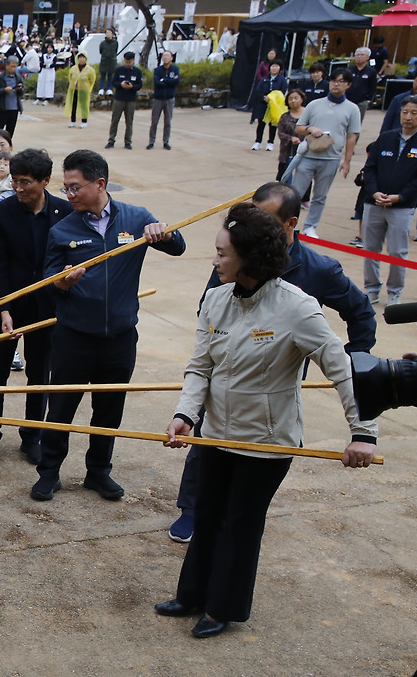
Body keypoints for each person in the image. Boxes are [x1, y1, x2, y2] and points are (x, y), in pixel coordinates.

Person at [157, 204, 377, 639]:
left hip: (267, 442)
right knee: (209, 512)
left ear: (249, 257)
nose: (214, 260)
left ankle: (223, 607)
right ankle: (192, 594)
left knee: (240, 522)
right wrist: (185, 413)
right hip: (217, 433)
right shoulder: (217, 299)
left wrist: (363, 432)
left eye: (222, 253)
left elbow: (342, 369)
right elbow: (200, 367)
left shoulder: (298, 308)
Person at [31, 149, 185, 502]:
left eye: (75, 187)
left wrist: (165, 234)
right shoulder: (62, 230)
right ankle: (49, 472)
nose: (68, 195)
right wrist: (62, 282)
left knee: (109, 409)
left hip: (118, 338)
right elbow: (48, 278)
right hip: (73, 337)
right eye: (66, 188)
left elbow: (178, 247)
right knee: (60, 409)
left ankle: (99, 473)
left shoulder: (135, 219)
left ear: (100, 184)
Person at [0, 148, 71, 467]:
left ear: (45, 181)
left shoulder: (63, 212)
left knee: (39, 374)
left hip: (47, 308)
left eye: (26, 182)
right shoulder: (2, 213)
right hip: (7, 305)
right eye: (15, 181)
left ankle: (32, 436)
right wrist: (3, 308)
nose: (18, 188)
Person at [288, 68, 361, 238]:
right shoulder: (314, 105)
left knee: (320, 196)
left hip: (331, 158)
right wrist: (310, 129)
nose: (336, 84)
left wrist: (347, 161)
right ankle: (289, 225)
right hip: (308, 156)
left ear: (348, 85)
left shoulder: (352, 109)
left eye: (341, 81)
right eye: (333, 80)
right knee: (296, 194)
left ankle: (310, 226)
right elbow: (299, 127)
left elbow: (352, 137)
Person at [361, 96, 417, 305]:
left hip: (401, 207)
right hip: (374, 203)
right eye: (405, 112)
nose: (408, 117)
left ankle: (394, 292)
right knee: (370, 249)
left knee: (396, 252)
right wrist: (374, 192)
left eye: (414, 113)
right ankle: (372, 289)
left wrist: (400, 197)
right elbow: (370, 168)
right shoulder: (385, 138)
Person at [106, 52, 142, 150]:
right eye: (126, 62)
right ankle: (111, 140)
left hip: (131, 99)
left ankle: (128, 141)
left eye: (130, 62)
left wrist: (132, 86)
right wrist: (121, 84)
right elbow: (114, 82)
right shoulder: (119, 70)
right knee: (115, 120)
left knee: (129, 122)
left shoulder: (137, 71)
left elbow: (139, 85)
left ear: (133, 61)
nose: (128, 64)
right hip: (119, 98)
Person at [250, 60, 288, 151]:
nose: (274, 68)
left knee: (273, 125)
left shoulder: (282, 80)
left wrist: (272, 99)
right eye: (272, 66)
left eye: (276, 66)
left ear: (280, 69)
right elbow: (258, 91)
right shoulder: (264, 79)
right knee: (261, 124)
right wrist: (264, 98)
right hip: (263, 105)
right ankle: (258, 142)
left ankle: (270, 142)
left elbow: (281, 92)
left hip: (274, 106)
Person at [148, 51, 180, 150]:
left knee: (167, 121)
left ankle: (166, 141)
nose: (165, 58)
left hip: (169, 98)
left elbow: (176, 81)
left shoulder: (175, 69)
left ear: (171, 58)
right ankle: (151, 141)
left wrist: (164, 80)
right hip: (158, 98)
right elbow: (157, 82)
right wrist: (169, 81)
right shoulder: (158, 70)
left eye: (167, 56)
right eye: (163, 56)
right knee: (154, 121)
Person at [0, 56, 25, 138]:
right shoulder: (0, 78)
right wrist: (4, 90)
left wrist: (19, 89)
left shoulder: (18, 77)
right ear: (6, 65)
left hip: (14, 109)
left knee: (10, 133)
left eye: (15, 66)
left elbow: (22, 92)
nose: (13, 69)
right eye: (12, 66)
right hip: (3, 109)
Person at [346, 46, 377, 123]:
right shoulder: (349, 70)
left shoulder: (371, 71)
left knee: (356, 123)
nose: (359, 57)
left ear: (367, 57)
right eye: (357, 55)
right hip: (347, 100)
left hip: (361, 102)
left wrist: (369, 100)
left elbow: (373, 86)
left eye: (362, 55)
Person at [65, 53, 96, 128]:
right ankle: (73, 121)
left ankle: (84, 121)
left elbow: (92, 80)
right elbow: (70, 78)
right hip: (74, 90)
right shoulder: (73, 68)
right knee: (73, 105)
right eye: (80, 58)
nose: (81, 59)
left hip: (84, 90)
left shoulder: (90, 70)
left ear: (86, 59)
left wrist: (88, 89)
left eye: (83, 58)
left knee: (84, 105)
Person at [97, 28, 118, 96]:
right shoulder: (103, 43)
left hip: (111, 61)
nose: (108, 34)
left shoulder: (115, 43)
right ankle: (101, 89)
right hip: (104, 60)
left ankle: (109, 89)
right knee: (103, 76)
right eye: (107, 32)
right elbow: (101, 51)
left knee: (110, 76)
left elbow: (115, 51)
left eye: (109, 32)